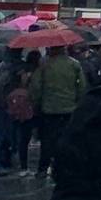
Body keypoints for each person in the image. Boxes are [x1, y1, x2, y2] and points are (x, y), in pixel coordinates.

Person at [32, 46, 85, 177]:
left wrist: (36, 103)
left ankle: (43, 169)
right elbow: (82, 86)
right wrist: (78, 101)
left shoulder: (44, 65)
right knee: (68, 138)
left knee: (47, 140)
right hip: (69, 108)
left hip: (49, 109)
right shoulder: (74, 64)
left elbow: (36, 86)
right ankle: (66, 166)